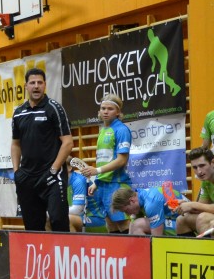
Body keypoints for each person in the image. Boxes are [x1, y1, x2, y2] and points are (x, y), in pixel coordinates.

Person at [11, 68, 73, 232]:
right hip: (27, 178)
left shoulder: (54, 109)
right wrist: (17, 171)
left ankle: (63, 256)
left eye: (40, 83)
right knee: (32, 227)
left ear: (45, 85)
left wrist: (53, 169)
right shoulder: (18, 113)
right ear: (26, 86)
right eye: (32, 83)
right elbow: (15, 144)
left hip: (52, 176)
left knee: (58, 220)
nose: (36, 86)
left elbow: (68, 143)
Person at [79, 94, 131, 232]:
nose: (106, 112)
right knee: (110, 223)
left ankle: (131, 253)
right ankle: (116, 254)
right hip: (103, 185)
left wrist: (97, 172)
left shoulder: (121, 130)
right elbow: (104, 159)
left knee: (122, 223)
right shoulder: (103, 130)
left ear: (118, 112)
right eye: (103, 108)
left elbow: (121, 160)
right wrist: (97, 182)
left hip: (117, 184)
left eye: (110, 109)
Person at [110, 185, 181, 235]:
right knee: (133, 225)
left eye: (126, 210)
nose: (127, 214)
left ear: (132, 201)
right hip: (175, 219)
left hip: (183, 223)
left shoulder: (151, 203)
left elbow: (157, 237)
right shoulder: (140, 196)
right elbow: (131, 233)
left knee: (138, 225)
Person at [175, 147, 214, 236]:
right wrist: (185, 205)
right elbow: (202, 206)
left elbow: (200, 208)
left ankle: (207, 250)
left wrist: (192, 205)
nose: (199, 171)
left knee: (203, 218)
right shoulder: (205, 182)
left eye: (202, 165)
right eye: (195, 167)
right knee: (181, 220)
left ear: (212, 163)